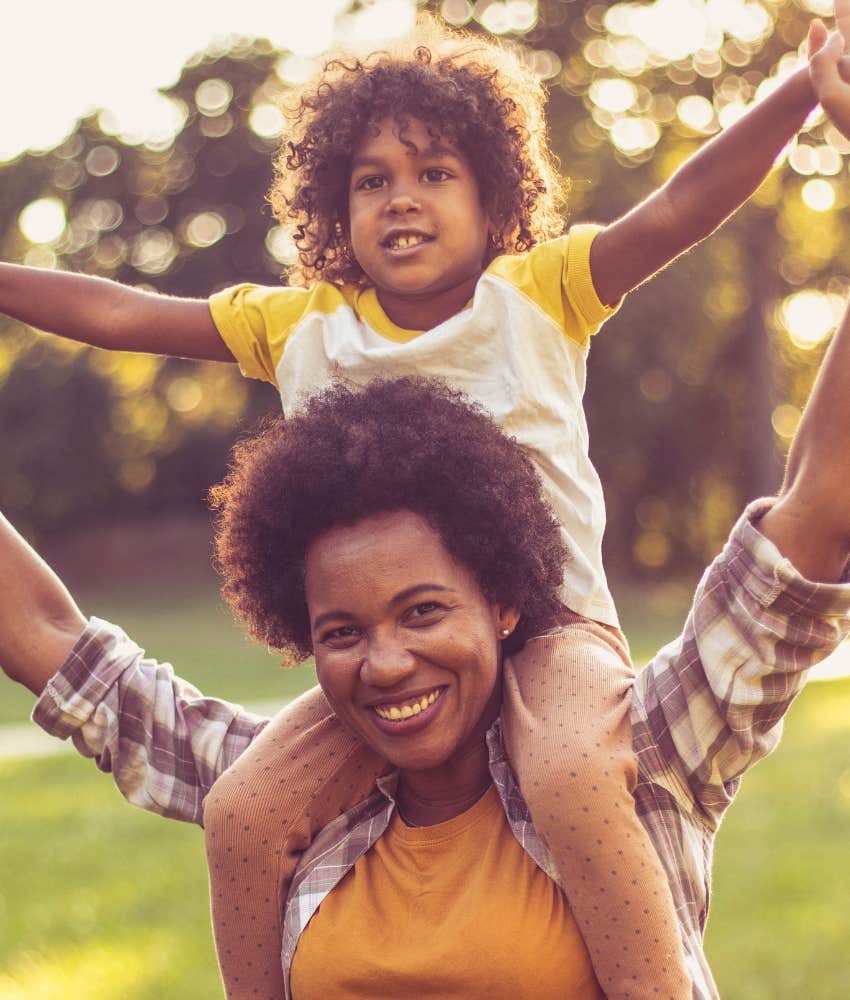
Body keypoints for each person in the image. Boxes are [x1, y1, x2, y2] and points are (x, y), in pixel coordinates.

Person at [0, 10, 844, 997]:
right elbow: (124, 314)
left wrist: (800, 89)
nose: (402, 200)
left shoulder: (538, 293)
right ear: (333, 208)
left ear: (493, 199)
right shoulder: (300, 325)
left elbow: (679, 207)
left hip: (562, 633)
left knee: (573, 775)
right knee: (240, 809)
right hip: (389, 659)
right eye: (372, 181)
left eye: (435, 173)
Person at [2, 351, 850, 999]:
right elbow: (56, 645)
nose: (386, 663)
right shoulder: (284, 798)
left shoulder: (637, 762)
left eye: (423, 612)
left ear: (504, 600)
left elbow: (815, 511)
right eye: (342, 631)